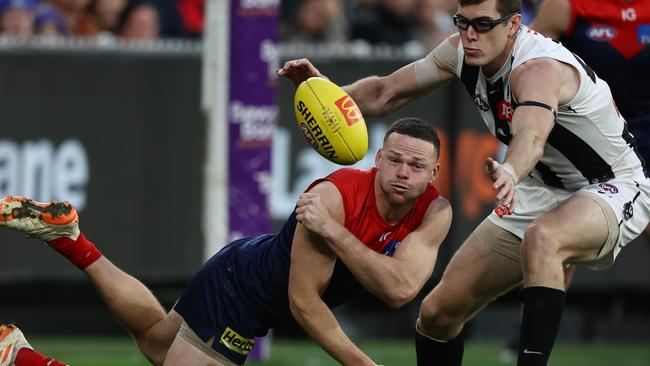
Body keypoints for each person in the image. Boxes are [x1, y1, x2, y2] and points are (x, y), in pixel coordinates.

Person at [277, 0, 650, 365]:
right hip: (542, 186)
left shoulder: (537, 69)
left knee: (544, 239)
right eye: (463, 22)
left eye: (483, 24)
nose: (470, 35)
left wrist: (511, 171)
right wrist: (324, 92)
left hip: (611, 182)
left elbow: (532, 137)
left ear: (513, 24)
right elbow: (384, 93)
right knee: (438, 314)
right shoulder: (459, 51)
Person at [0, 117, 452, 366]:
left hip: (244, 264)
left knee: (157, 341)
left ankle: (70, 240)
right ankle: (22, 359)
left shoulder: (435, 212)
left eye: (416, 166)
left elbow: (398, 289)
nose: (402, 173)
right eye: (394, 160)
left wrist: (334, 234)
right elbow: (304, 304)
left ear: (434, 174)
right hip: (241, 295)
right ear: (378, 159)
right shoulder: (332, 197)